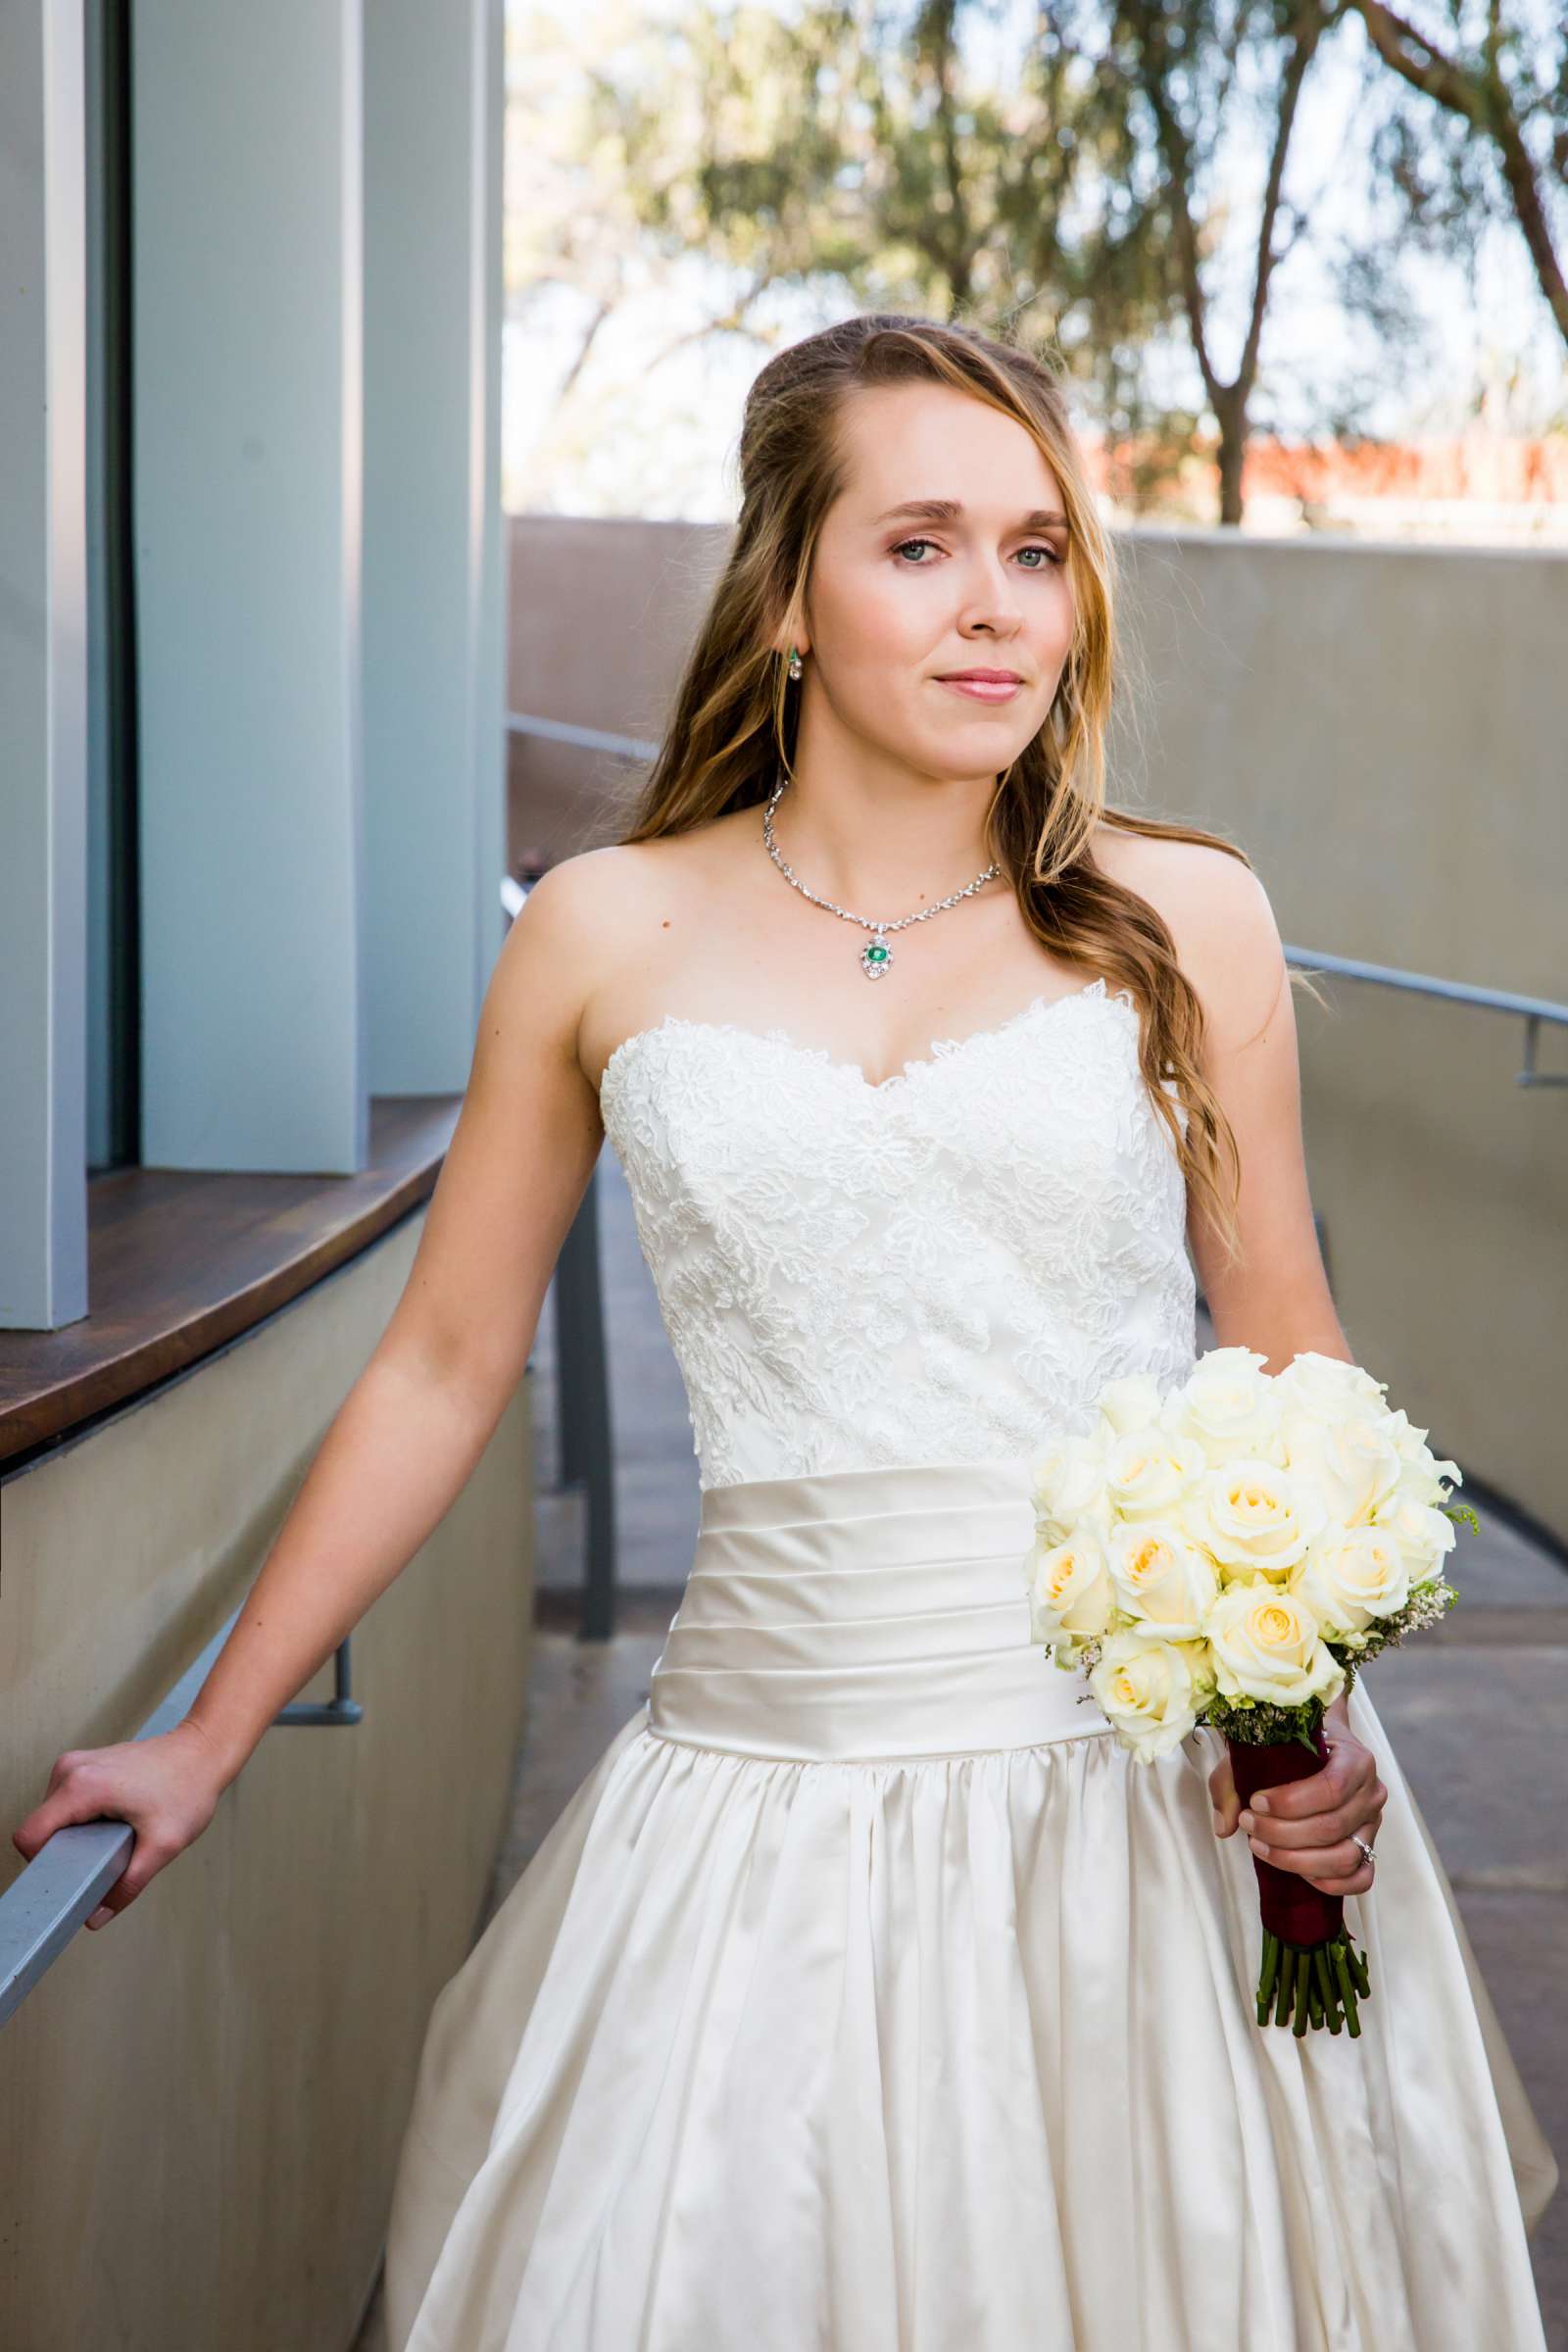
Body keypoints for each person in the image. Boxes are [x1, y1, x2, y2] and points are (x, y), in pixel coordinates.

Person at [14, 314, 1555, 2348]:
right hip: (758, 1789)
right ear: (785, 597)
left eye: (1035, 549)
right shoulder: (602, 927)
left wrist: (1317, 1708)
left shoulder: (1184, 916)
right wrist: (211, 1736)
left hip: (1132, 1812)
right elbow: (444, 1362)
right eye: (919, 545)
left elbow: (1284, 1354)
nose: (996, 607)